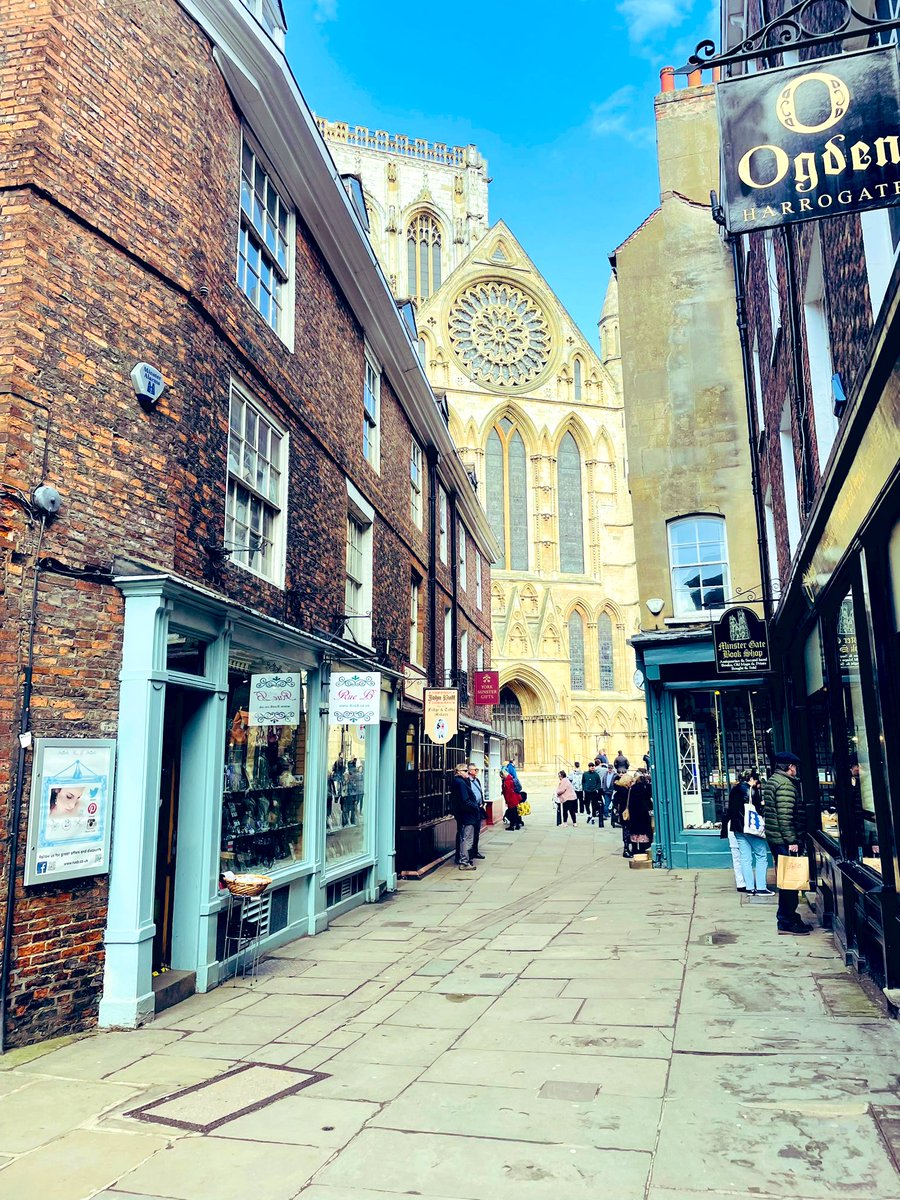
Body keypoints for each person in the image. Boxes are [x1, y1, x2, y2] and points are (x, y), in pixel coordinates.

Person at [763, 752, 810, 934]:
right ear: (790, 766)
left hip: (776, 838)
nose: (796, 769)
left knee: (786, 880)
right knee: (790, 882)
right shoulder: (785, 785)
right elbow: (785, 816)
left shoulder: (773, 780)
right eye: (794, 766)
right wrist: (792, 840)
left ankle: (789, 917)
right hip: (784, 840)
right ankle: (787, 919)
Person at [727, 772, 771, 896]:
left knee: (745, 858)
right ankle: (761, 888)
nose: (757, 785)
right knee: (761, 855)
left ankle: (750, 888)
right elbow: (757, 809)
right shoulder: (750, 790)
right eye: (757, 782)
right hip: (751, 828)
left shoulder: (734, 789)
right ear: (752, 779)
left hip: (737, 828)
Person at [451, 762, 481, 871]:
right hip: (467, 815)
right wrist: (475, 807)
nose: (467, 773)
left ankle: (463, 859)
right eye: (465, 771)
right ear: (458, 772)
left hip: (463, 814)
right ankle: (464, 862)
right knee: (467, 839)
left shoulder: (460, 781)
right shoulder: (461, 783)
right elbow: (465, 800)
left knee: (464, 837)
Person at [626, 769, 653, 857]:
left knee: (634, 831)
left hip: (634, 812)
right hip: (643, 812)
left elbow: (630, 801)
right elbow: (649, 799)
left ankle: (634, 849)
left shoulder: (632, 789)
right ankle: (643, 848)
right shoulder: (646, 787)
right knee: (643, 831)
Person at [467, 762, 487, 859]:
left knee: (477, 831)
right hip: (472, 809)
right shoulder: (467, 781)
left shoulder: (477, 780)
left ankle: (475, 851)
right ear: (470, 771)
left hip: (479, 808)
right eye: (475, 770)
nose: (477, 771)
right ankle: (469, 854)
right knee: (470, 833)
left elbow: (480, 792)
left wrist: (482, 801)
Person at [614, 771, 633, 856]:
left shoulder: (618, 791)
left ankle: (626, 848)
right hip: (627, 813)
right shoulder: (626, 791)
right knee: (628, 830)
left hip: (622, 814)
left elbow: (615, 802)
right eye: (630, 781)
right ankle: (626, 849)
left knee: (625, 830)